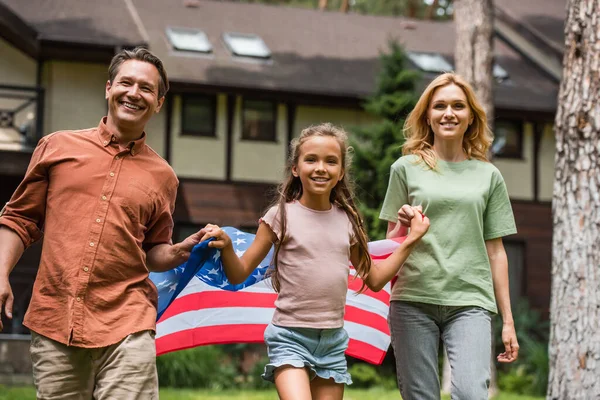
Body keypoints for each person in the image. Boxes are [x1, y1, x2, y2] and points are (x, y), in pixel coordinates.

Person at [0, 47, 203, 399]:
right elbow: (20, 218)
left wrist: (178, 252)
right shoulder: (57, 147)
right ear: (109, 88)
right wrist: (0, 273)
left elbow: (154, 250)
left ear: (158, 103)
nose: (134, 93)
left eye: (146, 88)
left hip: (128, 320)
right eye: (126, 83)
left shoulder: (164, 177)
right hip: (55, 317)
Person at [199, 123, 430, 400]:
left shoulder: (348, 221)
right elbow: (238, 274)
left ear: (341, 171)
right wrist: (225, 247)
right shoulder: (279, 216)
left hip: (332, 341)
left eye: (331, 161)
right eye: (311, 160)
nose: (321, 168)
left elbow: (377, 279)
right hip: (289, 337)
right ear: (295, 168)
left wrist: (410, 241)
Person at [380, 72, 519, 400]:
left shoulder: (488, 175)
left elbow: (497, 251)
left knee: (472, 393)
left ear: (470, 116)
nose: (449, 113)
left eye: (458, 106)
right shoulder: (405, 168)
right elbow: (391, 240)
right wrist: (403, 225)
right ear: (427, 115)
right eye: (440, 105)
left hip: (469, 301)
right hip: (413, 298)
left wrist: (508, 320)